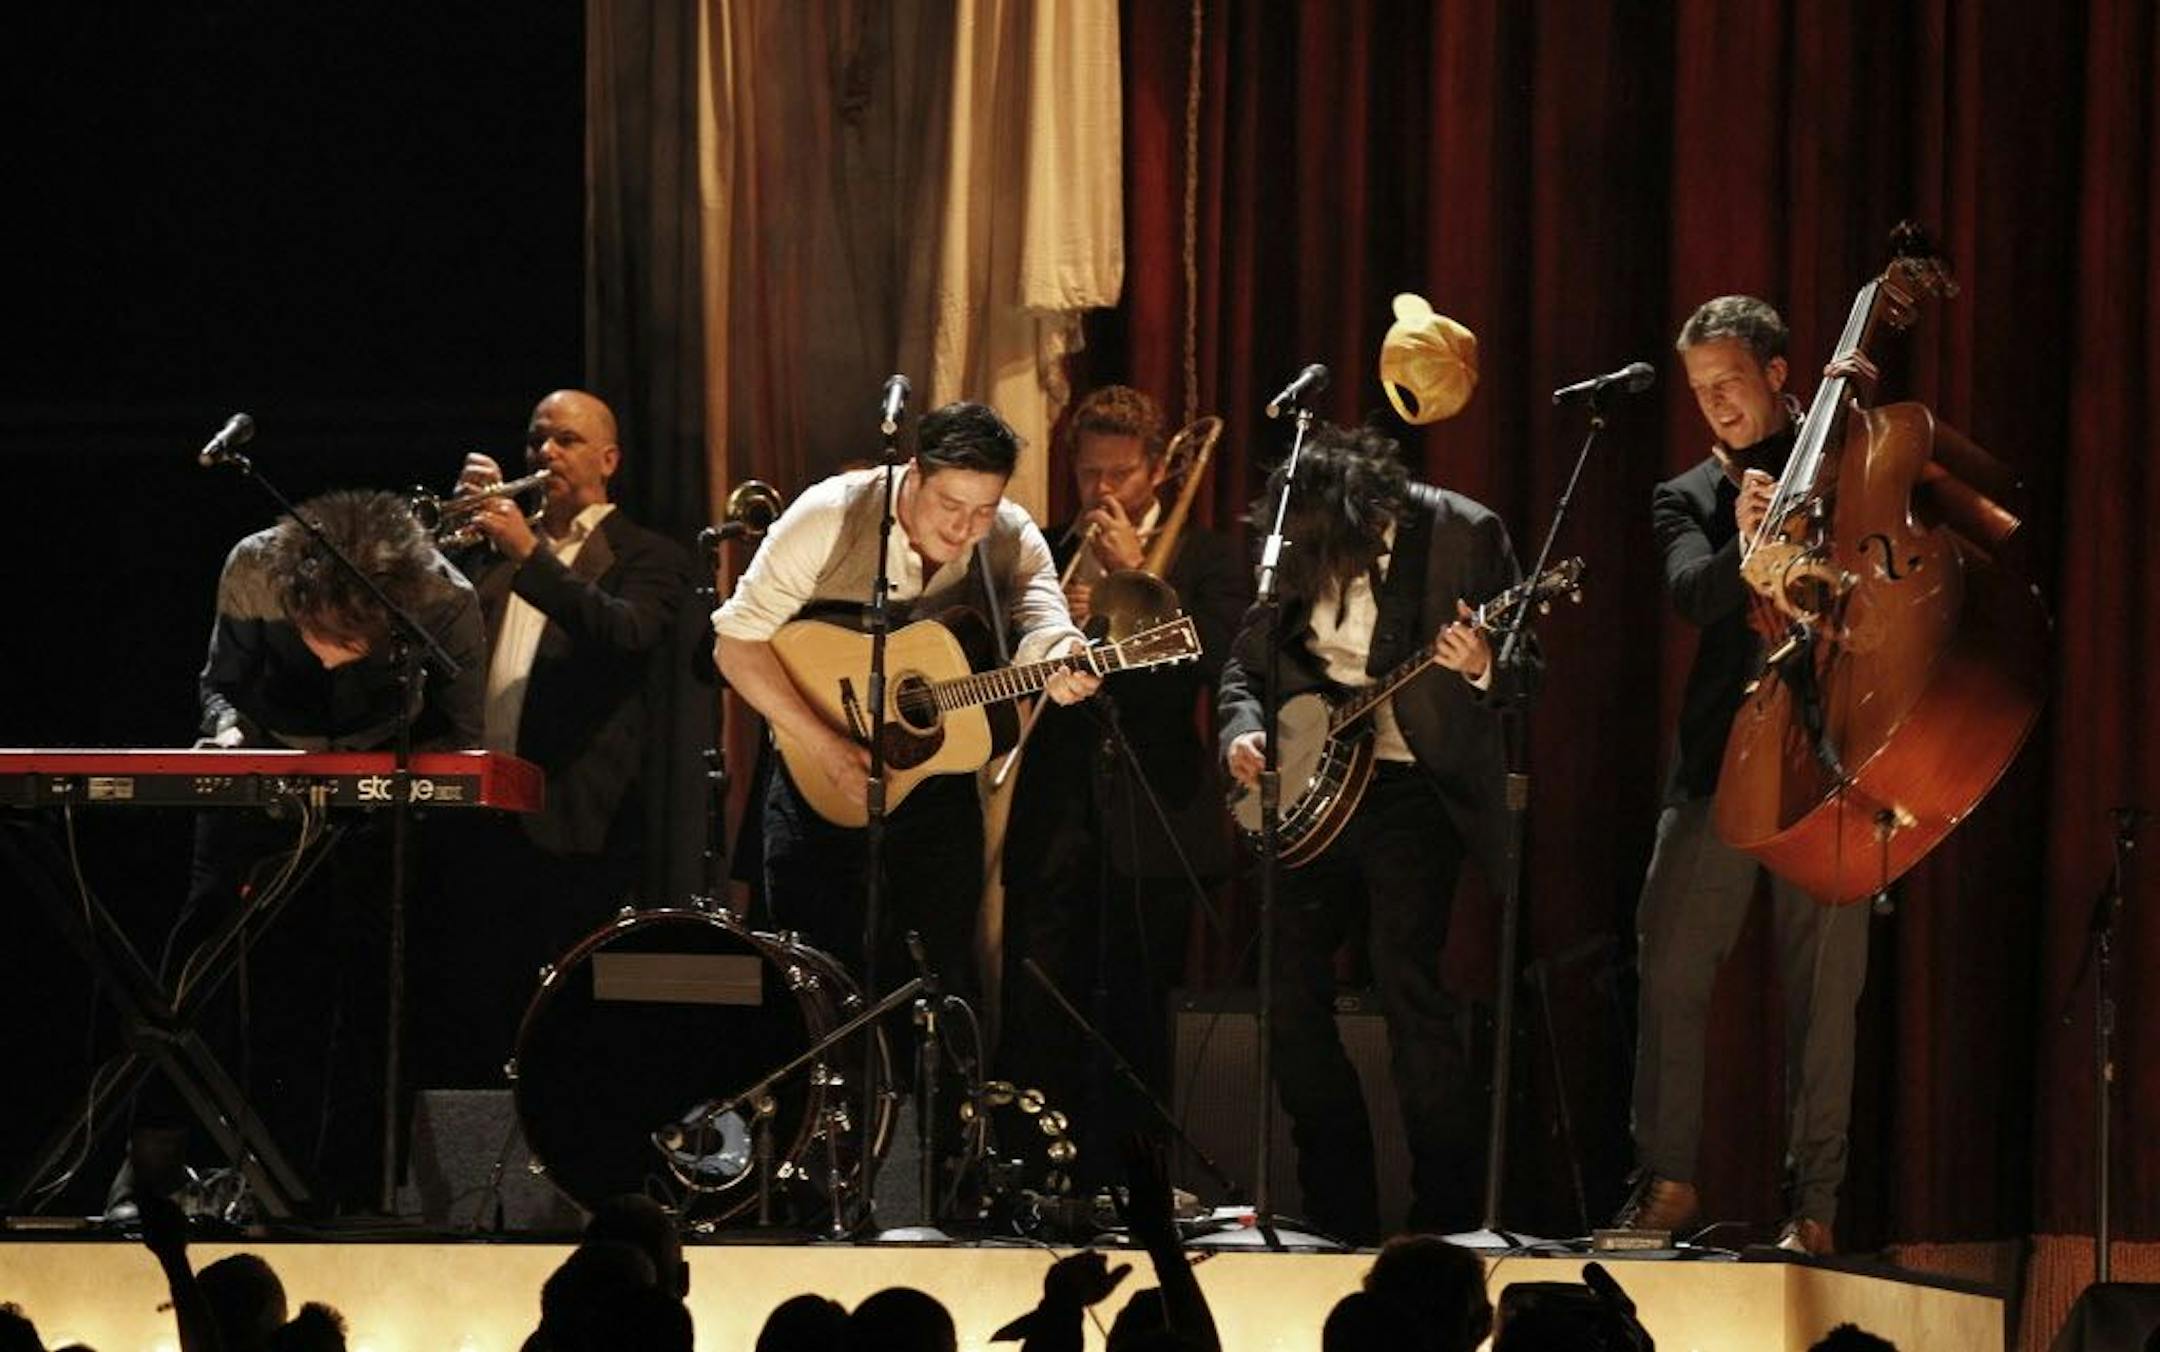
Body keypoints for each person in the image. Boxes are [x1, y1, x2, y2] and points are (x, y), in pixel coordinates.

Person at [118, 490, 488, 1213]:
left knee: (370, 976)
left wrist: (386, 775)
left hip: (375, 791)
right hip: (260, 775)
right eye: (317, 631)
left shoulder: (446, 598)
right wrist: (227, 737)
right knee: (200, 954)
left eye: (353, 640)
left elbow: (465, 730)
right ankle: (147, 1166)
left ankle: (346, 1184)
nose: (329, 659)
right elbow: (221, 686)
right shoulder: (256, 567)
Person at [1217, 423, 1532, 1245]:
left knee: (1408, 988)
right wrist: (1242, 734)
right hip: (1311, 787)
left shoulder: (1465, 530)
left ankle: (1446, 1214)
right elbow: (1245, 666)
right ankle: (1337, 1204)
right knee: (1285, 995)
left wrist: (1478, 665)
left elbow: (1527, 665)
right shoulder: (1298, 539)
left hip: (1414, 787)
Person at [1613, 294, 1870, 1256]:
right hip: (1723, 759)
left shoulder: (1846, 457)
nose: (1715, 404)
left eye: (1730, 382)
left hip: (1837, 751)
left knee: (1824, 991)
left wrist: (1854, 446)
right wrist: (1745, 547)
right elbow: (1693, 594)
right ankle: (1668, 1184)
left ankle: (1816, 1207)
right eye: (1700, 390)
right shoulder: (1690, 493)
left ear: (1775, 373)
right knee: (1671, 966)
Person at [713, 401, 1096, 1008]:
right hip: (817, 771)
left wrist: (1064, 656)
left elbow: (1043, 617)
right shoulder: (830, 514)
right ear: (914, 475)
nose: (965, 527)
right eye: (950, 506)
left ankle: (930, 1103)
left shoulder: (1010, 534)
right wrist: (829, 747)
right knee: (811, 980)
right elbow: (735, 646)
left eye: (983, 510)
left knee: (936, 984)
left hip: (933, 785)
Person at [999, 386, 1247, 1183]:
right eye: (1089, 473)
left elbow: (1200, 675)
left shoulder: (1208, 558)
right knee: (1039, 1000)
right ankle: (1035, 1175)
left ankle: (1134, 1183)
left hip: (1153, 814)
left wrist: (1132, 585)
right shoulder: (1039, 551)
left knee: (1138, 1013)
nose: (1104, 492)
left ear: (1156, 474)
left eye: (1122, 474)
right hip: (1055, 811)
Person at [437, 389, 694, 1076]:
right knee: (473, 1007)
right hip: (479, 813)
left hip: (576, 820)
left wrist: (529, 554)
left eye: (565, 440)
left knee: (565, 1015)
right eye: (534, 441)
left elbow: (626, 632)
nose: (544, 453)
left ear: (608, 459)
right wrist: (454, 543)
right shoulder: (494, 556)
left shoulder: (648, 554)